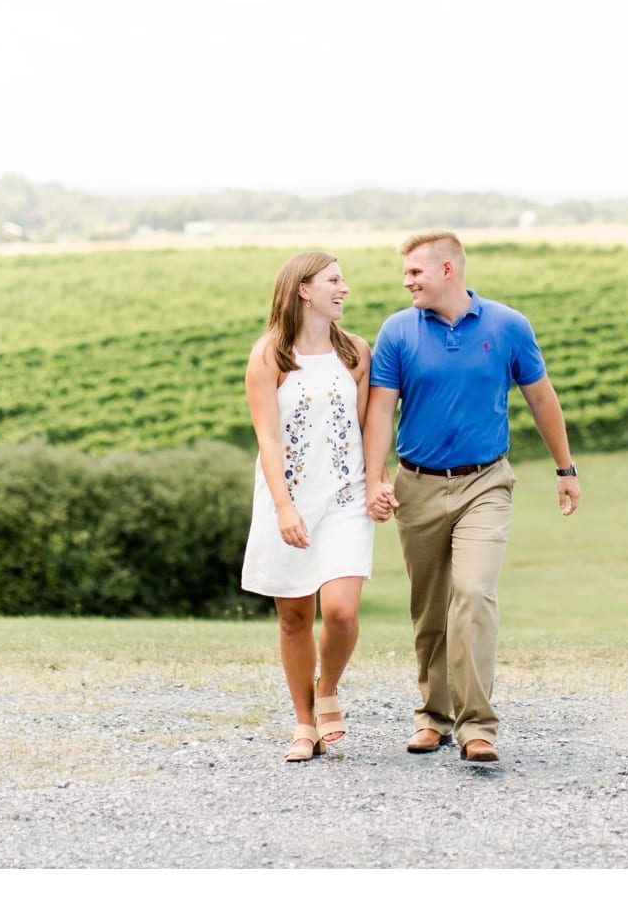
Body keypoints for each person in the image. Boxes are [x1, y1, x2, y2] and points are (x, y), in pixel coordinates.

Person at [363, 230, 580, 763]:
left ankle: (477, 726)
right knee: (430, 609)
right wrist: (376, 478)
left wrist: (565, 468)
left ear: (447, 271)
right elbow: (380, 411)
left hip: (486, 483)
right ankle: (433, 717)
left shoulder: (508, 326)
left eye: (415, 271)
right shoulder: (397, 331)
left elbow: (541, 397)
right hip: (417, 485)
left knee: (475, 592)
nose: (407, 281)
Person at [241, 251, 380, 762]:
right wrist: (282, 507)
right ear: (304, 289)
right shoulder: (269, 356)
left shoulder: (355, 353)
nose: (344, 288)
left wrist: (378, 482)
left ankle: (327, 691)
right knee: (295, 617)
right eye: (334, 280)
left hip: (345, 497)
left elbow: (368, 428)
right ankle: (304, 725)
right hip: (289, 500)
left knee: (341, 613)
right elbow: (268, 440)